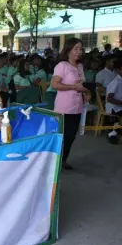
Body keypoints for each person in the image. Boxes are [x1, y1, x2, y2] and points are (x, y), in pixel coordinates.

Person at [51, 37, 91, 170]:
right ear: (68, 50)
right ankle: (54, 161)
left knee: (71, 136)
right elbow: (55, 84)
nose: (79, 52)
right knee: (62, 136)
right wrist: (73, 88)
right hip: (64, 107)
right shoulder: (62, 66)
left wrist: (86, 92)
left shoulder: (79, 66)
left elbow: (81, 84)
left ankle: (63, 160)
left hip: (77, 107)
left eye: (81, 49)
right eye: (76, 49)